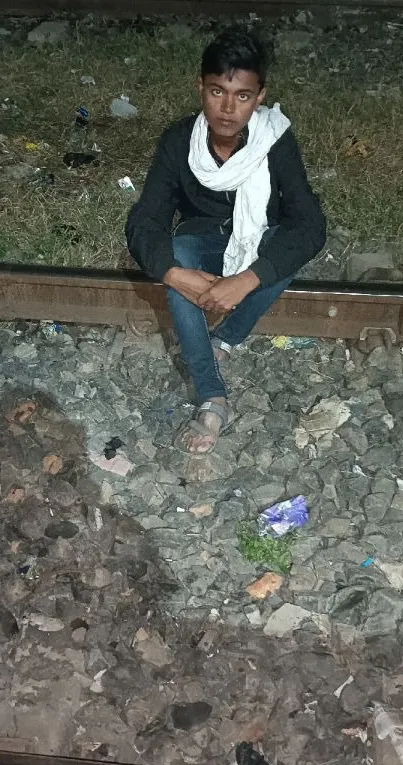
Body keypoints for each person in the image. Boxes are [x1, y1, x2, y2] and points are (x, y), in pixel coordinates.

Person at [125, 25, 326, 456]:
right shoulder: (180, 141)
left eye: (243, 96)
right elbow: (146, 220)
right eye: (217, 91)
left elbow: (309, 224)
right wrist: (175, 274)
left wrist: (248, 279)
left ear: (260, 95)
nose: (228, 108)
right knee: (174, 254)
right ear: (200, 88)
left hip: (256, 243)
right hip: (202, 241)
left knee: (285, 247)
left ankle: (225, 341)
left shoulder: (274, 140)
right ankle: (212, 395)